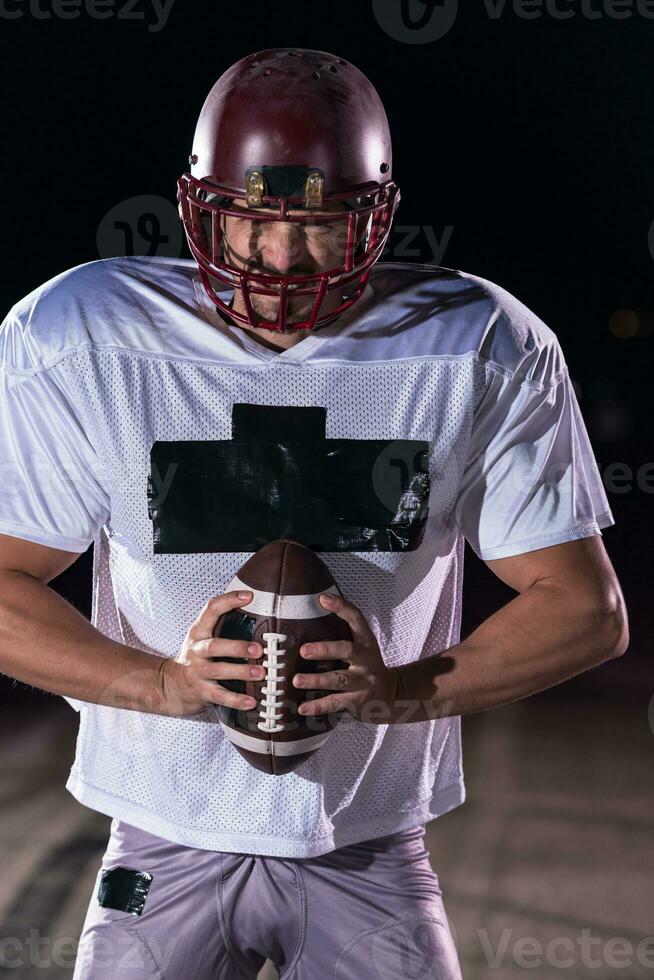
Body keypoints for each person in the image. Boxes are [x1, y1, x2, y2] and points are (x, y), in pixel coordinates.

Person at [0, 48, 628, 980]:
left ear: (375, 215)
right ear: (200, 207)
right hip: (160, 834)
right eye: (253, 220)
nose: (283, 259)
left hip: (368, 843)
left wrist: (402, 691)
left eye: (322, 223)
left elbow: (585, 609)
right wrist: (166, 684)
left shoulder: (481, 343)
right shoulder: (82, 333)